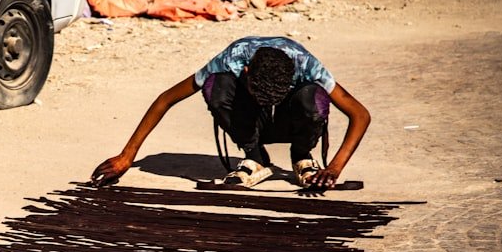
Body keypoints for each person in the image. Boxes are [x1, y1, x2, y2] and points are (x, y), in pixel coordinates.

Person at [91, 36, 370, 190]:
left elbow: (360, 115)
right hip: (251, 123)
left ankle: (301, 156)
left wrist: (335, 168)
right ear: (246, 72)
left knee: (314, 95)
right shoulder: (233, 58)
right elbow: (166, 99)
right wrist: (127, 156)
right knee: (217, 86)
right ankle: (256, 158)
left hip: (290, 121)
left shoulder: (305, 64)